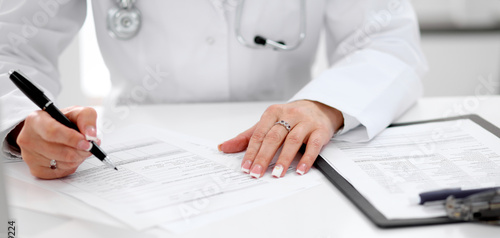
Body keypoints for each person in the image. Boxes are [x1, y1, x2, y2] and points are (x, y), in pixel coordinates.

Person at [0, 0, 427, 180]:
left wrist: (324, 106)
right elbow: (10, 45)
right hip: (133, 154)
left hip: (288, 155)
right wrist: (24, 125)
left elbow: (386, 40)